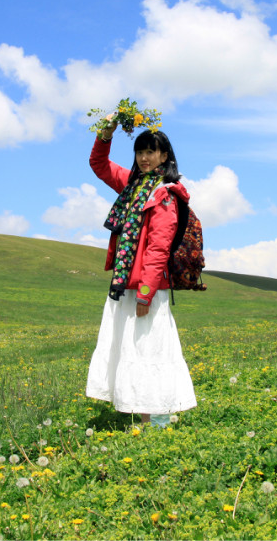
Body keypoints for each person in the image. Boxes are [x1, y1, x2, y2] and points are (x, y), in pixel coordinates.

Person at [85, 116, 197, 427]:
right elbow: (99, 164)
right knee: (129, 345)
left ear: (165, 156)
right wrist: (105, 134)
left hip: (146, 287)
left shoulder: (164, 194)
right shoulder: (133, 184)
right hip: (125, 283)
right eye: (140, 152)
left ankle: (157, 415)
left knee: (149, 347)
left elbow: (158, 248)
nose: (145, 158)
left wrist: (146, 293)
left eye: (152, 152)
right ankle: (140, 411)